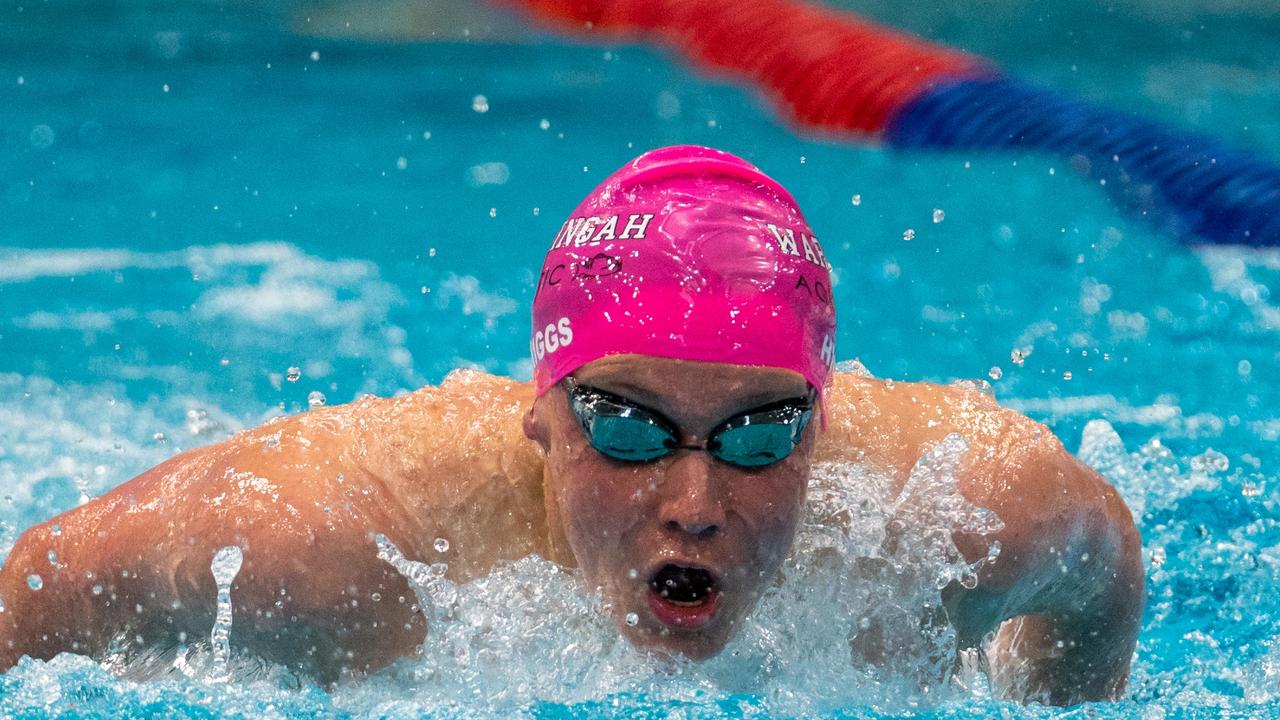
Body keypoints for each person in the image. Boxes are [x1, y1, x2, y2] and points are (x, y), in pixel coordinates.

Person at [0, 146, 1142, 705]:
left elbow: (1106, 567)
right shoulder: (324, 543)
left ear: (820, 425)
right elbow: (25, 598)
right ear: (540, 417)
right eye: (630, 430)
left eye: (756, 437)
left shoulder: (963, 511)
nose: (693, 505)